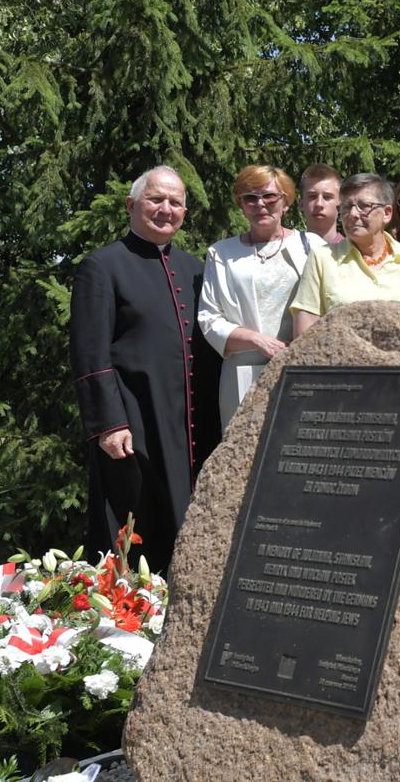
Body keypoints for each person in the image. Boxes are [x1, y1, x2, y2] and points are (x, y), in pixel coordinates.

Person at [69, 165, 221, 572]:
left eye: (175, 202)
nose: (165, 209)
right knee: (135, 520)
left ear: (185, 212)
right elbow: (89, 353)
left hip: (194, 423)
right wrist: (107, 424)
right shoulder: (102, 266)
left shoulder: (197, 270)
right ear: (131, 204)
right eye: (156, 199)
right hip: (135, 420)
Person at [198, 165, 322, 428]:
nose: (260, 204)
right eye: (250, 198)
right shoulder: (221, 253)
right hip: (241, 375)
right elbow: (209, 318)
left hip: (301, 366)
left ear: (286, 202)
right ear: (241, 205)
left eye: (269, 197)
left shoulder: (311, 245)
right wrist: (257, 340)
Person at [290, 173, 400, 335]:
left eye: (364, 206)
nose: (353, 214)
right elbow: (304, 329)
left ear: (387, 213)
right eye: (347, 207)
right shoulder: (322, 258)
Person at [298, 163, 344, 244]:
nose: (319, 204)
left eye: (327, 197)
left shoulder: (353, 253)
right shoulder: (290, 251)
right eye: (312, 196)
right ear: (301, 204)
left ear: (340, 205)